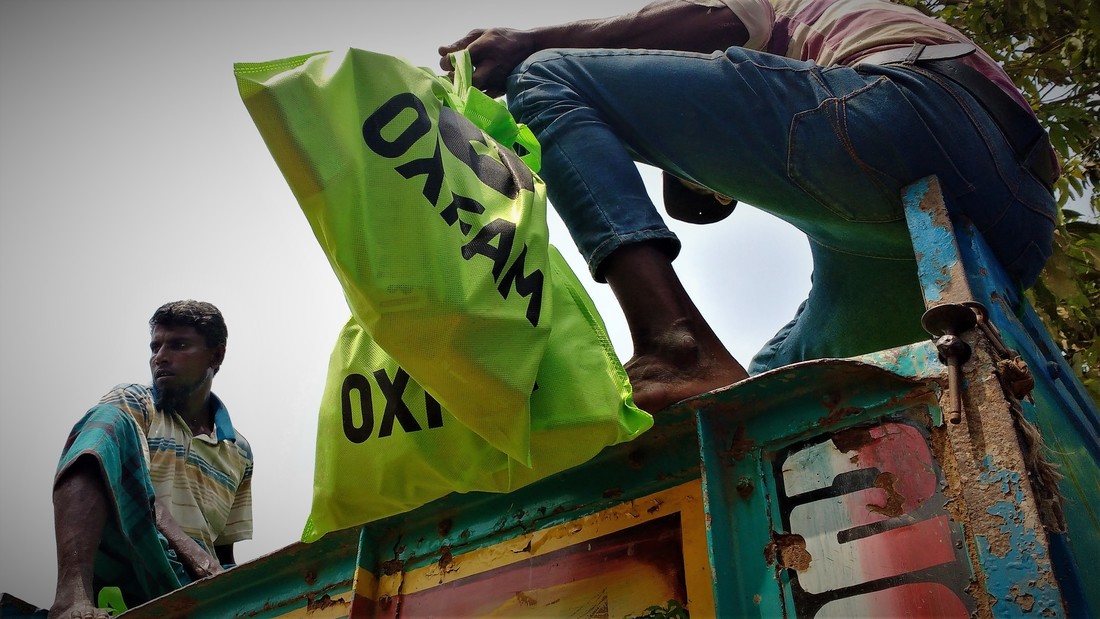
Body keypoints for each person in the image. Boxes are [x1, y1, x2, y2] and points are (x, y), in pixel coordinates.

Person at [440, 0, 1058, 413]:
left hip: (915, 109)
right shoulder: (795, 91)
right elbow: (704, 192)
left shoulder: (781, 8)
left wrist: (529, 40)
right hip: (1016, 225)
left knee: (548, 75)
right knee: (774, 392)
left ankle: (674, 345)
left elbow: (714, 19)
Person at [49, 301, 253, 619]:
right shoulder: (136, 402)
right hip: (133, 561)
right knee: (106, 422)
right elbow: (126, 482)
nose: (160, 357)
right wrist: (186, 545)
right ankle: (72, 596)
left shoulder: (239, 450)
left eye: (178, 345)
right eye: (155, 346)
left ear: (216, 355)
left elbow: (223, 553)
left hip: (190, 585)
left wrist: (238, 596)